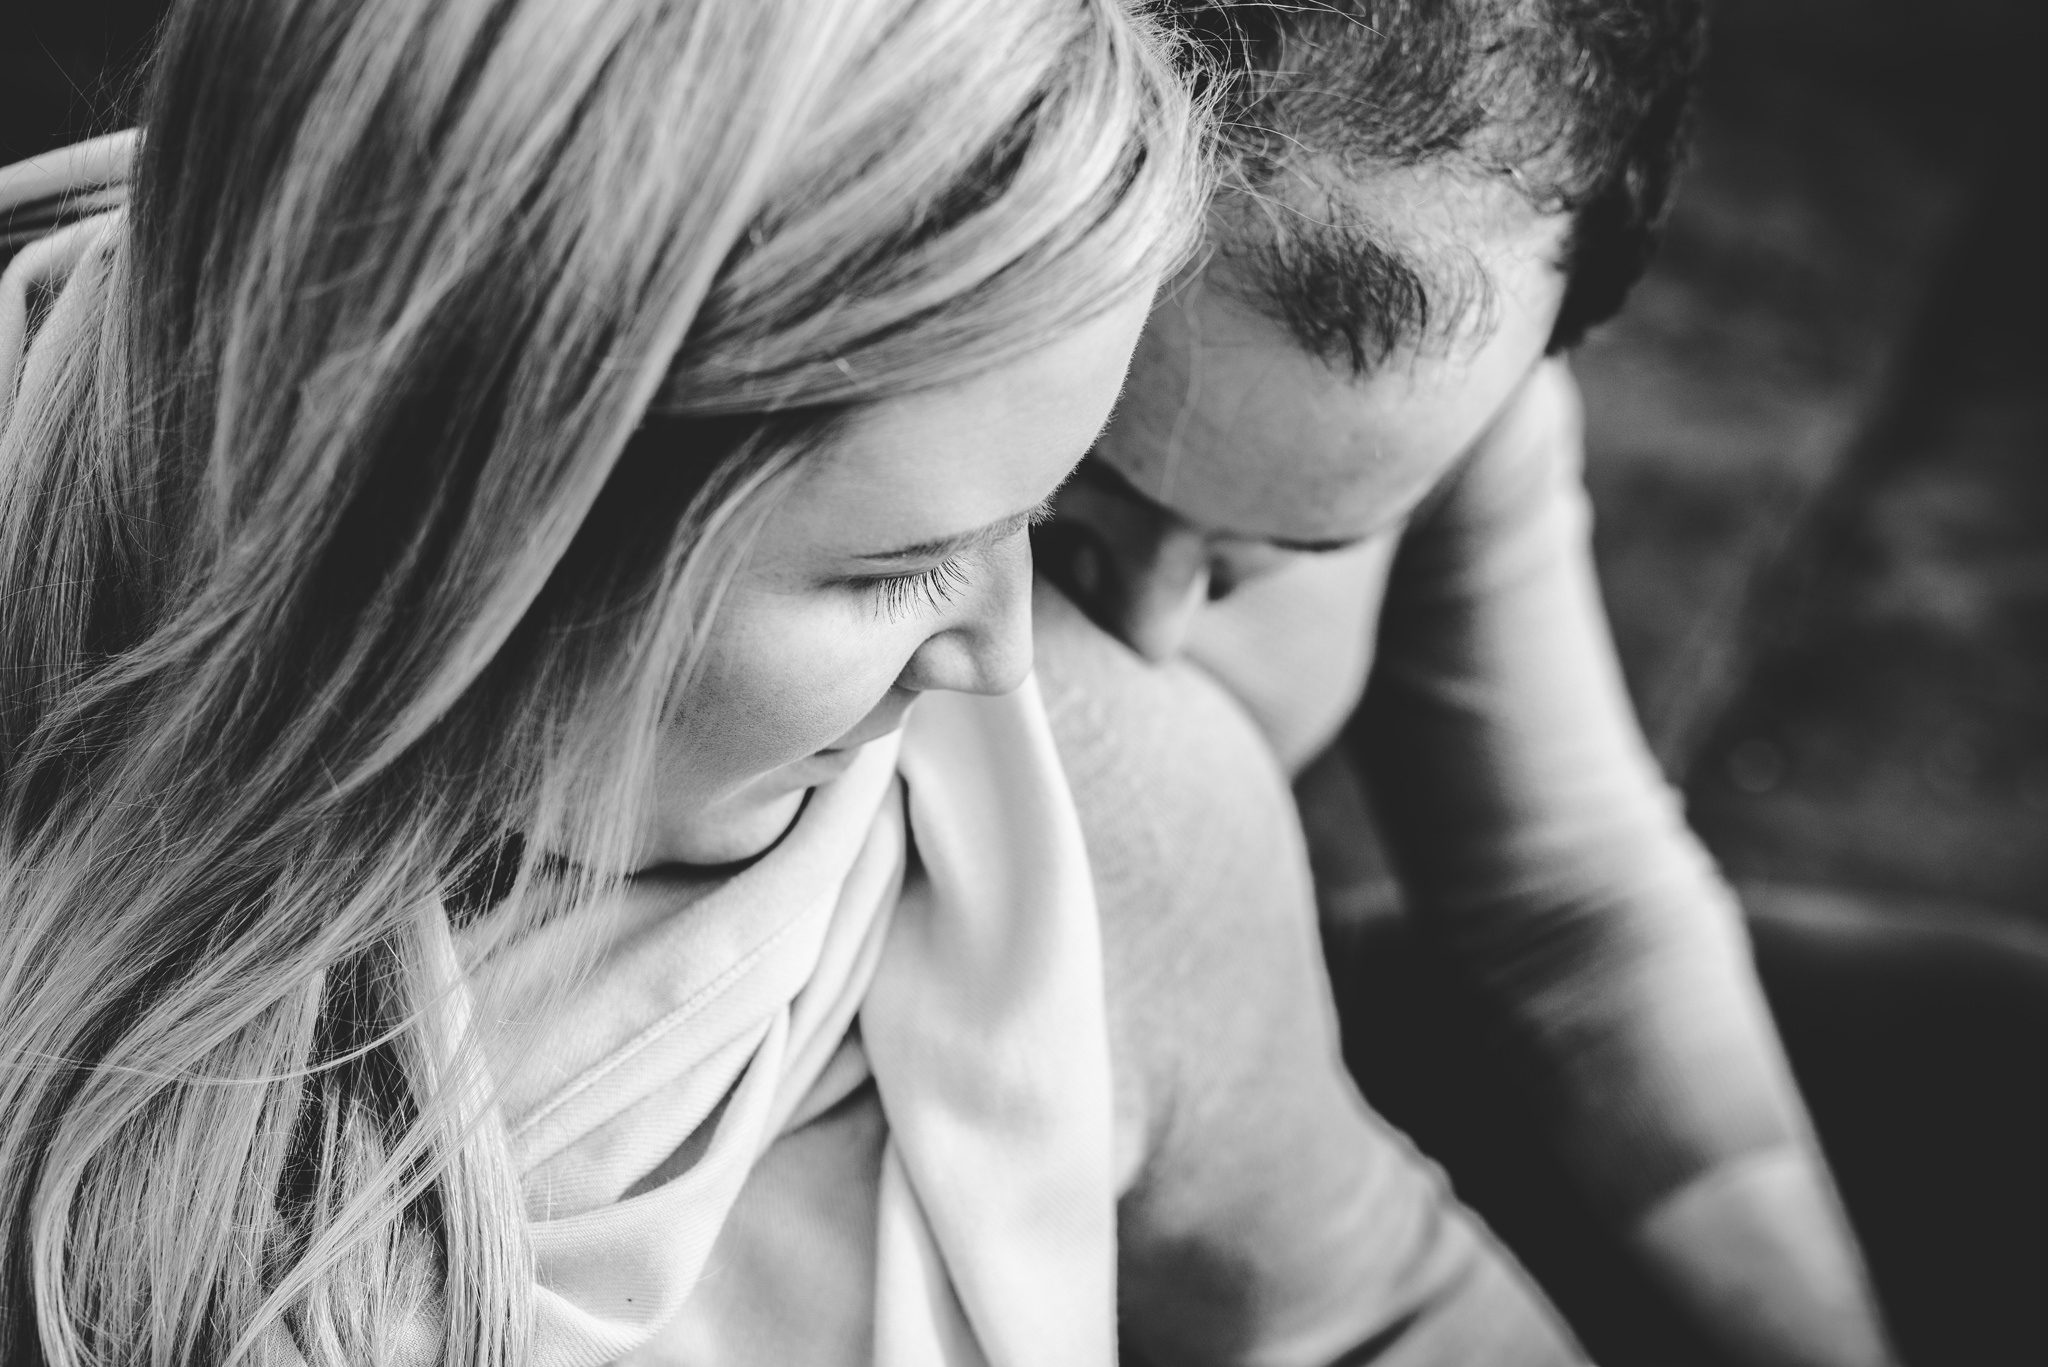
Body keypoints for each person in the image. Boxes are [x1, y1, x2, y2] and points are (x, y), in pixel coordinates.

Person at [0, 1, 1601, 1364]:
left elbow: (1382, 1299)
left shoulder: (1097, 816)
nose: (1003, 648)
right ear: (479, 543)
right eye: (899, 565)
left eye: (1039, 519)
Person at [1033, 3, 1901, 1365]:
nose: (1140, 637)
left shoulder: (1457, 361)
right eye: (1056, 505)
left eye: (1281, 556)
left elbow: (1571, 917)